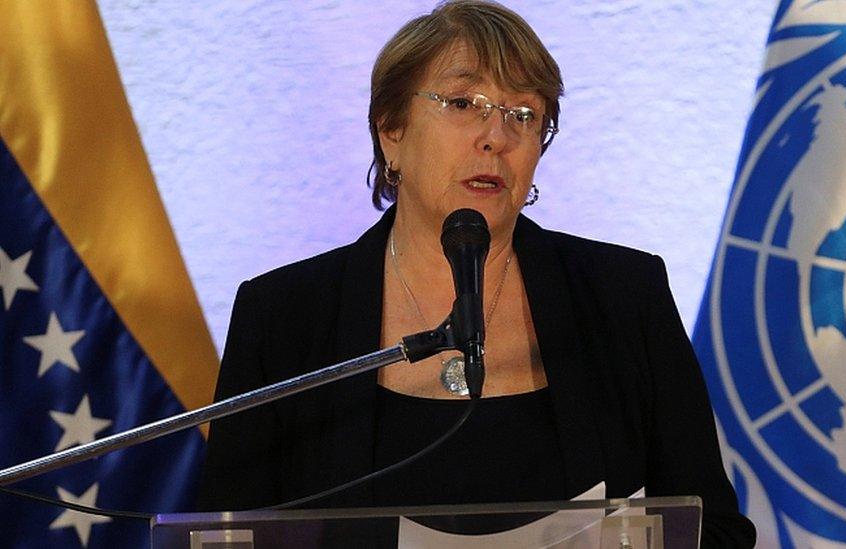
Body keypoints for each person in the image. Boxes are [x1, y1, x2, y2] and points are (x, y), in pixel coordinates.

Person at [197, 1, 756, 546]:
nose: (497, 137)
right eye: (464, 104)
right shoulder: (284, 317)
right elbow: (227, 536)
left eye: (524, 115)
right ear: (391, 130)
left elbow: (715, 528)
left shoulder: (624, 296)